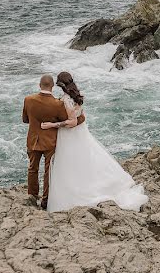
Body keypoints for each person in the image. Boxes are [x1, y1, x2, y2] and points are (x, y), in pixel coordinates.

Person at [42, 71, 148, 212]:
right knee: (84, 160)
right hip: (81, 133)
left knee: (71, 163)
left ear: (60, 84)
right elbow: (80, 116)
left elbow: (72, 122)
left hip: (70, 135)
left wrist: (52, 125)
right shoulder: (76, 96)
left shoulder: (66, 100)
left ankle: (78, 191)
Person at [21, 74, 84, 209]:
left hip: (33, 140)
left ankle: (32, 196)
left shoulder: (28, 100)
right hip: (50, 141)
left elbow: (25, 120)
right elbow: (67, 121)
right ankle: (46, 200)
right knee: (48, 171)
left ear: (40, 85)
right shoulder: (58, 104)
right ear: (52, 86)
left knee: (32, 168)